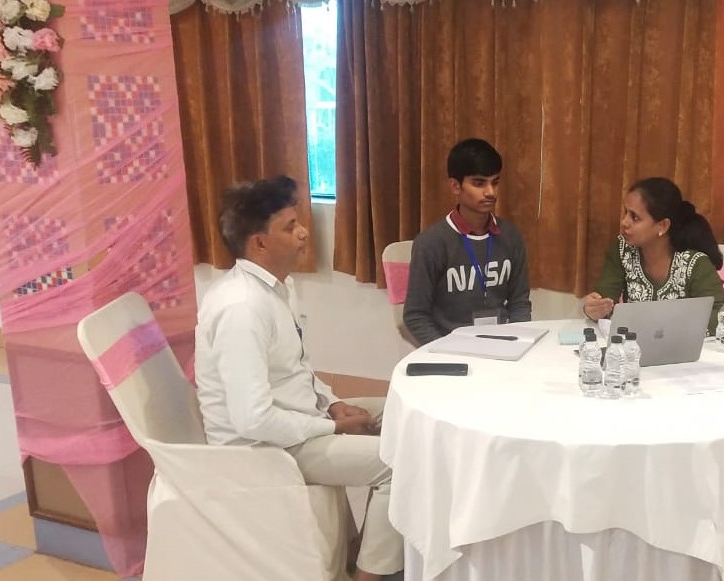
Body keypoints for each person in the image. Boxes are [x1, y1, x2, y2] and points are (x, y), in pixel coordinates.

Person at [194, 176, 402, 581]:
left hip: (297, 423)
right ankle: (369, 576)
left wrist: (333, 404)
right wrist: (333, 426)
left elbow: (297, 369)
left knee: (398, 412)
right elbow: (252, 419)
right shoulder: (242, 309)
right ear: (260, 244)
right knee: (399, 463)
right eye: (290, 227)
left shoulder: (276, 288)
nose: (304, 231)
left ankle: (362, 551)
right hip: (263, 449)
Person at [403, 138, 532, 345]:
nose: (490, 192)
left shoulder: (511, 236)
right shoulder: (431, 243)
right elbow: (415, 315)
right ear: (455, 186)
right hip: (451, 347)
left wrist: (516, 341)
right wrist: (446, 351)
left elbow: (520, 303)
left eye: (495, 182)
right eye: (479, 183)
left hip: (502, 345)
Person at [583, 177, 724, 335]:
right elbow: (605, 303)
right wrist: (593, 309)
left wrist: (670, 329)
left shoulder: (695, 263)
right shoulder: (622, 249)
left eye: (635, 217)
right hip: (633, 347)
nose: (624, 222)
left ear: (663, 226)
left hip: (682, 349)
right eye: (625, 213)